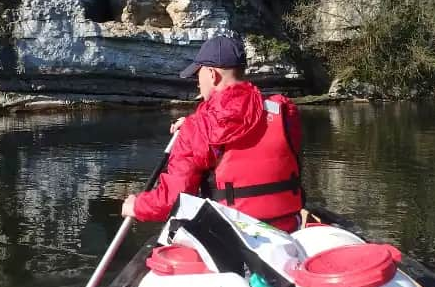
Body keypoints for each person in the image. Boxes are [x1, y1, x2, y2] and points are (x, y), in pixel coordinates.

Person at [121, 36, 304, 232]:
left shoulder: (197, 129)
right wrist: (195, 122)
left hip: (234, 236)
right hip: (288, 227)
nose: (197, 83)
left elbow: (171, 201)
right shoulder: (284, 112)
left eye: (198, 75)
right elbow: (246, 119)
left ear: (212, 74)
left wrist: (137, 205)